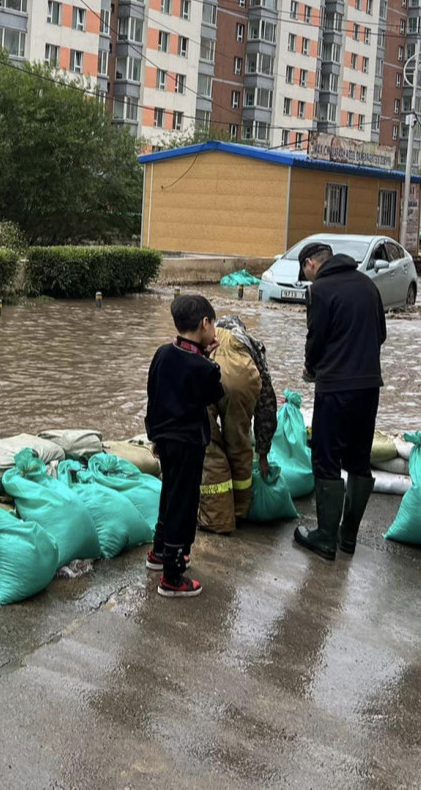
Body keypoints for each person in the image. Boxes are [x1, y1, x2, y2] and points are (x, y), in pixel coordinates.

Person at [293, 240, 388, 561]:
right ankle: (348, 536)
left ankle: (325, 537)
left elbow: (315, 337)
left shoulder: (320, 290)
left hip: (334, 387)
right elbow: (382, 334)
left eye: (305, 273)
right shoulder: (367, 284)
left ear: (310, 264)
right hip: (369, 385)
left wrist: (311, 366)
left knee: (326, 456)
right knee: (359, 458)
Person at [144, 293, 225, 598]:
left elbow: (153, 395)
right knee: (184, 504)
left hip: (164, 441)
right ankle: (172, 576)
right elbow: (215, 394)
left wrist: (153, 436)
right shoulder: (204, 368)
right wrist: (209, 359)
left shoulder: (162, 353)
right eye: (213, 325)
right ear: (205, 323)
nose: (215, 331)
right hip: (188, 443)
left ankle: (160, 551)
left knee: (170, 494)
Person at [197, 317, 279, 533]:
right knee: (239, 444)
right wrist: (262, 453)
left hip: (206, 375)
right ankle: (240, 512)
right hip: (243, 379)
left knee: (209, 447)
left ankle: (216, 519)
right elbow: (267, 402)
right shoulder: (250, 342)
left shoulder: (206, 338)